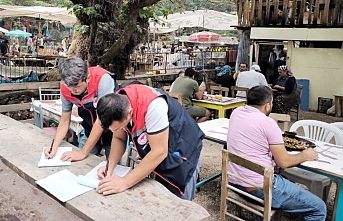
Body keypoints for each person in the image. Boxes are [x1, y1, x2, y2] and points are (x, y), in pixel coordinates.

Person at [227, 85, 326, 220]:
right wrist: (305, 155)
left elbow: (255, 138)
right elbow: (283, 162)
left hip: (234, 180)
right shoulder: (268, 123)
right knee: (319, 208)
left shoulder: (236, 112)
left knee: (287, 181)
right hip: (259, 187)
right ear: (267, 106)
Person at [96, 84, 204, 200]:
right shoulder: (116, 103)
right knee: (159, 196)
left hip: (184, 148)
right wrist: (109, 169)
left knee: (179, 202)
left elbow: (159, 152)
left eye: (118, 127)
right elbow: (119, 138)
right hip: (161, 146)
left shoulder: (152, 105)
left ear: (129, 113)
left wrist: (124, 182)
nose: (116, 131)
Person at [44, 57, 118, 161]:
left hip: (113, 133)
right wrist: (54, 147)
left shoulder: (103, 80)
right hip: (89, 131)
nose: (73, 90)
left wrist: (83, 152)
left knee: (113, 171)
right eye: (69, 86)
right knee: (80, 166)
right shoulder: (66, 88)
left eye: (77, 86)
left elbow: (101, 120)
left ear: (87, 78)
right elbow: (65, 120)